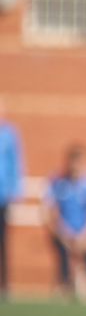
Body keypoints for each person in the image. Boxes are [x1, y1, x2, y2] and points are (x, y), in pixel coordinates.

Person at [44, 144, 86, 301]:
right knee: (63, 252)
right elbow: (49, 214)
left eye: (81, 162)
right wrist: (64, 234)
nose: (77, 166)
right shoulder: (57, 182)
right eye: (74, 161)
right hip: (64, 234)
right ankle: (64, 285)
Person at [0, 97, 24, 299]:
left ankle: (4, 285)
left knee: (2, 242)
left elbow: (15, 163)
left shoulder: (9, 134)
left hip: (2, 196)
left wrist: (15, 190)